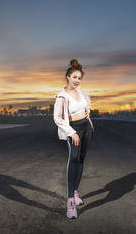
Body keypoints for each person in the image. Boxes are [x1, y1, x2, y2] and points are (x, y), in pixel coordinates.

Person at [53, 58, 95, 219]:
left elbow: (87, 103)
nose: (77, 80)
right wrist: (71, 132)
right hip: (74, 129)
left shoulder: (81, 92)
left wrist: (87, 113)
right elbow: (58, 118)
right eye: (75, 77)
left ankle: (76, 193)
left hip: (86, 127)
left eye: (79, 78)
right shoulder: (62, 96)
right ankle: (70, 202)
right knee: (74, 158)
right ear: (68, 77)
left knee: (82, 159)